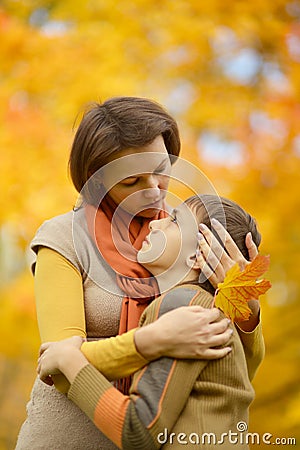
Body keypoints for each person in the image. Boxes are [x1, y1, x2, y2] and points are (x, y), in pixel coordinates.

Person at [16, 97, 258, 450]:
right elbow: (58, 369)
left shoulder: (187, 237)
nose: (155, 189)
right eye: (132, 180)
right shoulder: (62, 238)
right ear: (95, 182)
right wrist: (152, 341)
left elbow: (232, 372)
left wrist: (244, 302)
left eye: (162, 169)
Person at [37, 194, 267, 450]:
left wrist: (70, 360)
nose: (155, 224)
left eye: (173, 220)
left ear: (196, 256)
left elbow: (139, 433)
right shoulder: (211, 309)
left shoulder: (183, 308)